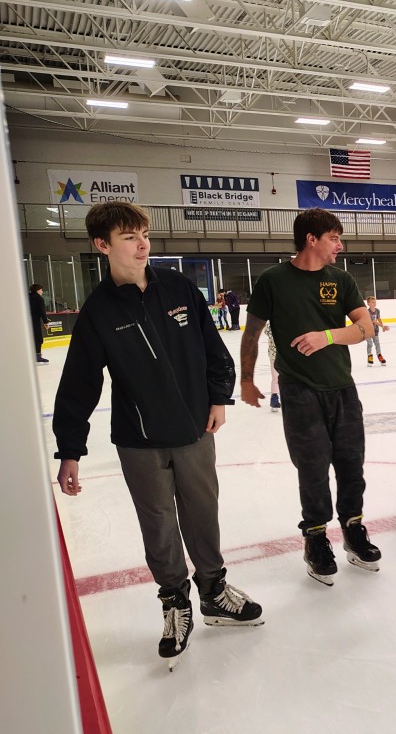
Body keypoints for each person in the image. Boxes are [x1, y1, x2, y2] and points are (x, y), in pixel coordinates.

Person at [53, 201, 262, 670]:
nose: (142, 244)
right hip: (140, 441)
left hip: (195, 429)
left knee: (202, 513)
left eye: (144, 234)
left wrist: (218, 398)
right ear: (102, 245)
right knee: (159, 525)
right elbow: (79, 384)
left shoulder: (178, 287)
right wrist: (70, 450)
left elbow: (213, 347)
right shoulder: (99, 311)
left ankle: (213, 592)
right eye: (129, 237)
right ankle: (175, 601)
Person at [239, 208, 380, 586]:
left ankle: (353, 529)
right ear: (311, 239)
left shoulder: (341, 279)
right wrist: (246, 380)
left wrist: (327, 336)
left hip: (342, 388)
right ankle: (316, 538)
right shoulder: (273, 280)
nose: (340, 245)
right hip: (299, 389)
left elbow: (366, 327)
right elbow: (252, 333)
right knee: (313, 468)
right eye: (334, 238)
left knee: (351, 465)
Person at [29, 283, 50, 364]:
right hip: (35, 321)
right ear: (37, 290)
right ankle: (37, 357)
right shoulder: (39, 299)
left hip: (26, 322)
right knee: (38, 338)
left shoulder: (26, 297)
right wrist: (46, 322)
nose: (42, 291)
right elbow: (42, 312)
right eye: (41, 290)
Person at [365, 295, 388, 366]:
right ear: (368, 303)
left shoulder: (377, 310)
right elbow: (374, 321)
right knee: (370, 343)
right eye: (372, 302)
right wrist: (382, 326)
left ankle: (380, 356)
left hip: (375, 330)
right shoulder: (367, 312)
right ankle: (370, 357)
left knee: (377, 343)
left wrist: (382, 326)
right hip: (368, 331)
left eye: (375, 302)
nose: (374, 303)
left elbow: (379, 318)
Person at [265, 322, 281, 411]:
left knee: (275, 377)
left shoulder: (270, 322)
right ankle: (275, 399)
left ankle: (274, 399)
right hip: (281, 354)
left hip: (273, 353)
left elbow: (266, 331)